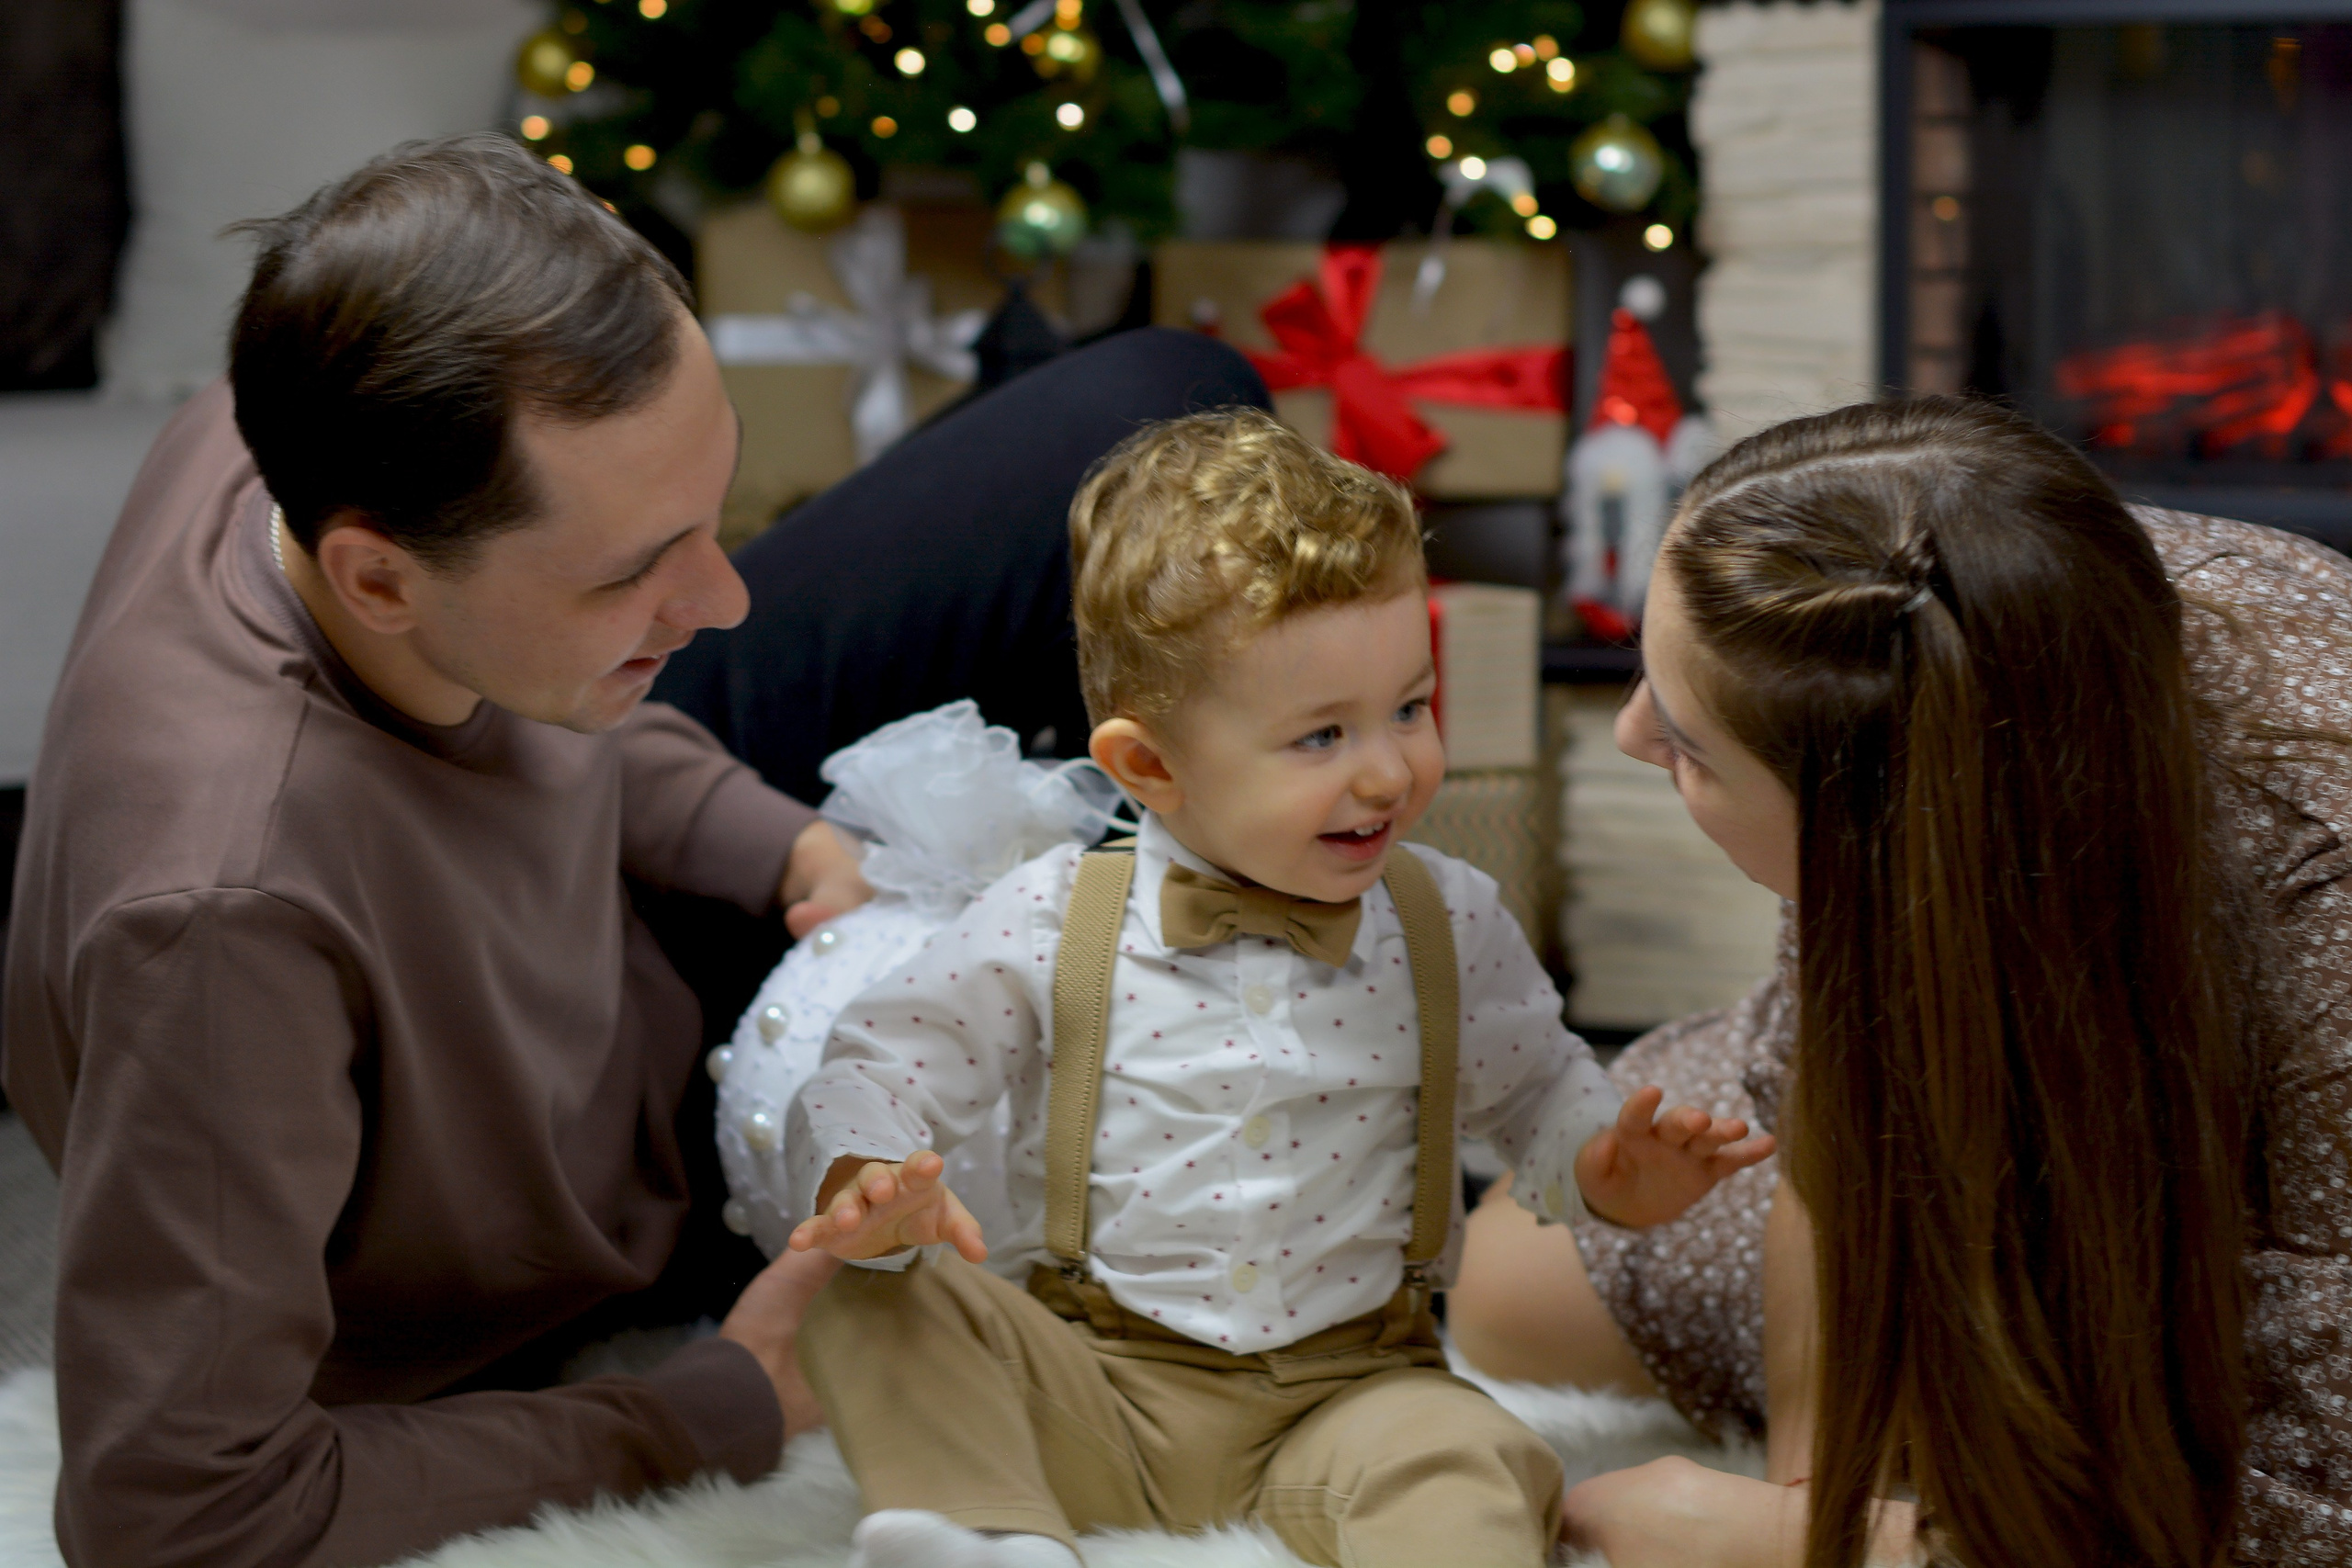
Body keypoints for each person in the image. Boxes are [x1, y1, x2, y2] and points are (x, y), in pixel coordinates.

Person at [0, 130, 1270, 1567]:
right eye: (636, 568)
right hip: (565, 1159)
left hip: (607, 893)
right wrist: (701, 1408)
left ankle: (1205, 1016)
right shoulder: (222, 928)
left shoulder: (289, 399)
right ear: (376, 575)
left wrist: (775, 838)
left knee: (1170, 419)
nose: (725, 596)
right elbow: (171, 1508)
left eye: (708, 515)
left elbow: (556, 723)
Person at [775, 409, 1775, 1568]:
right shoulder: (1053, 914)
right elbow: (881, 1060)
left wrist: (1606, 1167)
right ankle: (987, 1535)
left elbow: (1539, 1091)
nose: (1389, 767)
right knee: (873, 1306)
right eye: (1321, 736)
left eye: (1411, 706)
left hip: (1346, 1399)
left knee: (1477, 1457)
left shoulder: (1445, 918)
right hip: (1095, 1383)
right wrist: (867, 1174)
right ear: (1149, 765)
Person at [1446, 397, 2352, 1567]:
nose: (1627, 735)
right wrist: (1818, 1502)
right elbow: (1827, 1137)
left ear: (1882, 828)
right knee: (1505, 1284)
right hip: (1988, 1031)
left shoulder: (2316, 914)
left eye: (1686, 744)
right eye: (1644, 676)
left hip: (2247, 1202)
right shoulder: (1937, 643)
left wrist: (1813, 1549)